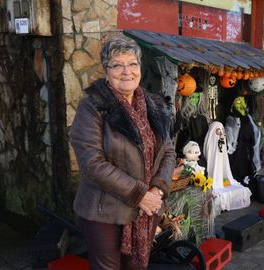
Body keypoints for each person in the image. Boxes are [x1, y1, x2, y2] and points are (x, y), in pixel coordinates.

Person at [70, 35, 176, 269]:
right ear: (106, 71)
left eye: (133, 64)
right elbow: (92, 163)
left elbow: (168, 150)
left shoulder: (153, 105)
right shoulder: (92, 106)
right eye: (117, 65)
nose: (126, 71)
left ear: (140, 67)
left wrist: (157, 188)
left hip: (147, 208)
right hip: (104, 212)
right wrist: (140, 195)